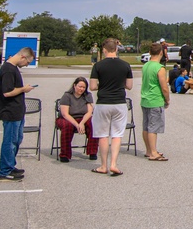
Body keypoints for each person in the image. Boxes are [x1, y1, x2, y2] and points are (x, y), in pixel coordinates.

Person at [89, 38, 133, 174]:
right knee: (117, 135)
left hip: (103, 102)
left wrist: (103, 85)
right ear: (116, 49)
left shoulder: (98, 66)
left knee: (103, 135)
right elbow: (129, 86)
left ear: (104, 50)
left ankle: (103, 165)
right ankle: (114, 163)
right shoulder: (125, 65)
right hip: (119, 102)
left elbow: (92, 86)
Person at [0, 46, 35, 182]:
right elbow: (7, 92)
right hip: (9, 111)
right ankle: (4, 171)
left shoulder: (14, 69)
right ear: (23, 57)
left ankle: (10, 165)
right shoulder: (8, 69)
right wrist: (24, 89)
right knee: (10, 141)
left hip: (17, 111)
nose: (26, 65)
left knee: (17, 139)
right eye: (27, 62)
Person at [56, 76, 98, 163]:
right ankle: (64, 154)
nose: (81, 89)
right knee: (67, 126)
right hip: (67, 118)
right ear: (74, 85)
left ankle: (92, 152)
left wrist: (82, 123)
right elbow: (65, 114)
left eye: (84, 87)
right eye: (80, 86)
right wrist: (77, 124)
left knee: (93, 123)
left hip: (83, 118)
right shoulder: (67, 95)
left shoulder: (88, 95)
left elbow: (89, 112)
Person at [141, 42, 170, 161]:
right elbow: (164, 86)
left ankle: (148, 150)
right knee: (153, 127)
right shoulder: (159, 68)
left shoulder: (146, 65)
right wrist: (167, 99)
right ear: (161, 53)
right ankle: (153, 152)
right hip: (155, 99)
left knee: (146, 126)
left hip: (145, 99)